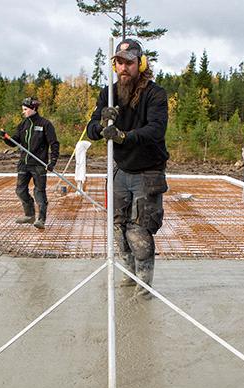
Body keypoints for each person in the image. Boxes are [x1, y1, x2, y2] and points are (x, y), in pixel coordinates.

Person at [86, 39, 169, 298]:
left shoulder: (155, 94)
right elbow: (90, 130)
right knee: (120, 230)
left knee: (139, 232)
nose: (124, 68)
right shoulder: (108, 94)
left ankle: (144, 289)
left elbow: (156, 130)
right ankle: (128, 278)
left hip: (147, 171)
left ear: (141, 64)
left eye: (129, 63)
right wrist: (101, 125)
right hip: (121, 171)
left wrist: (123, 136)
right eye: (119, 62)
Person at [0, 97, 59, 230]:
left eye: (25, 110)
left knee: (39, 192)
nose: (24, 112)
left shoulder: (45, 124)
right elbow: (15, 141)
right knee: (20, 190)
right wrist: (5, 138)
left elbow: (54, 143)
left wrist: (53, 161)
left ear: (33, 109)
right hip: (24, 163)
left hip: (39, 164)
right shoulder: (23, 125)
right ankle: (29, 214)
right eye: (23, 110)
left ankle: (41, 219)